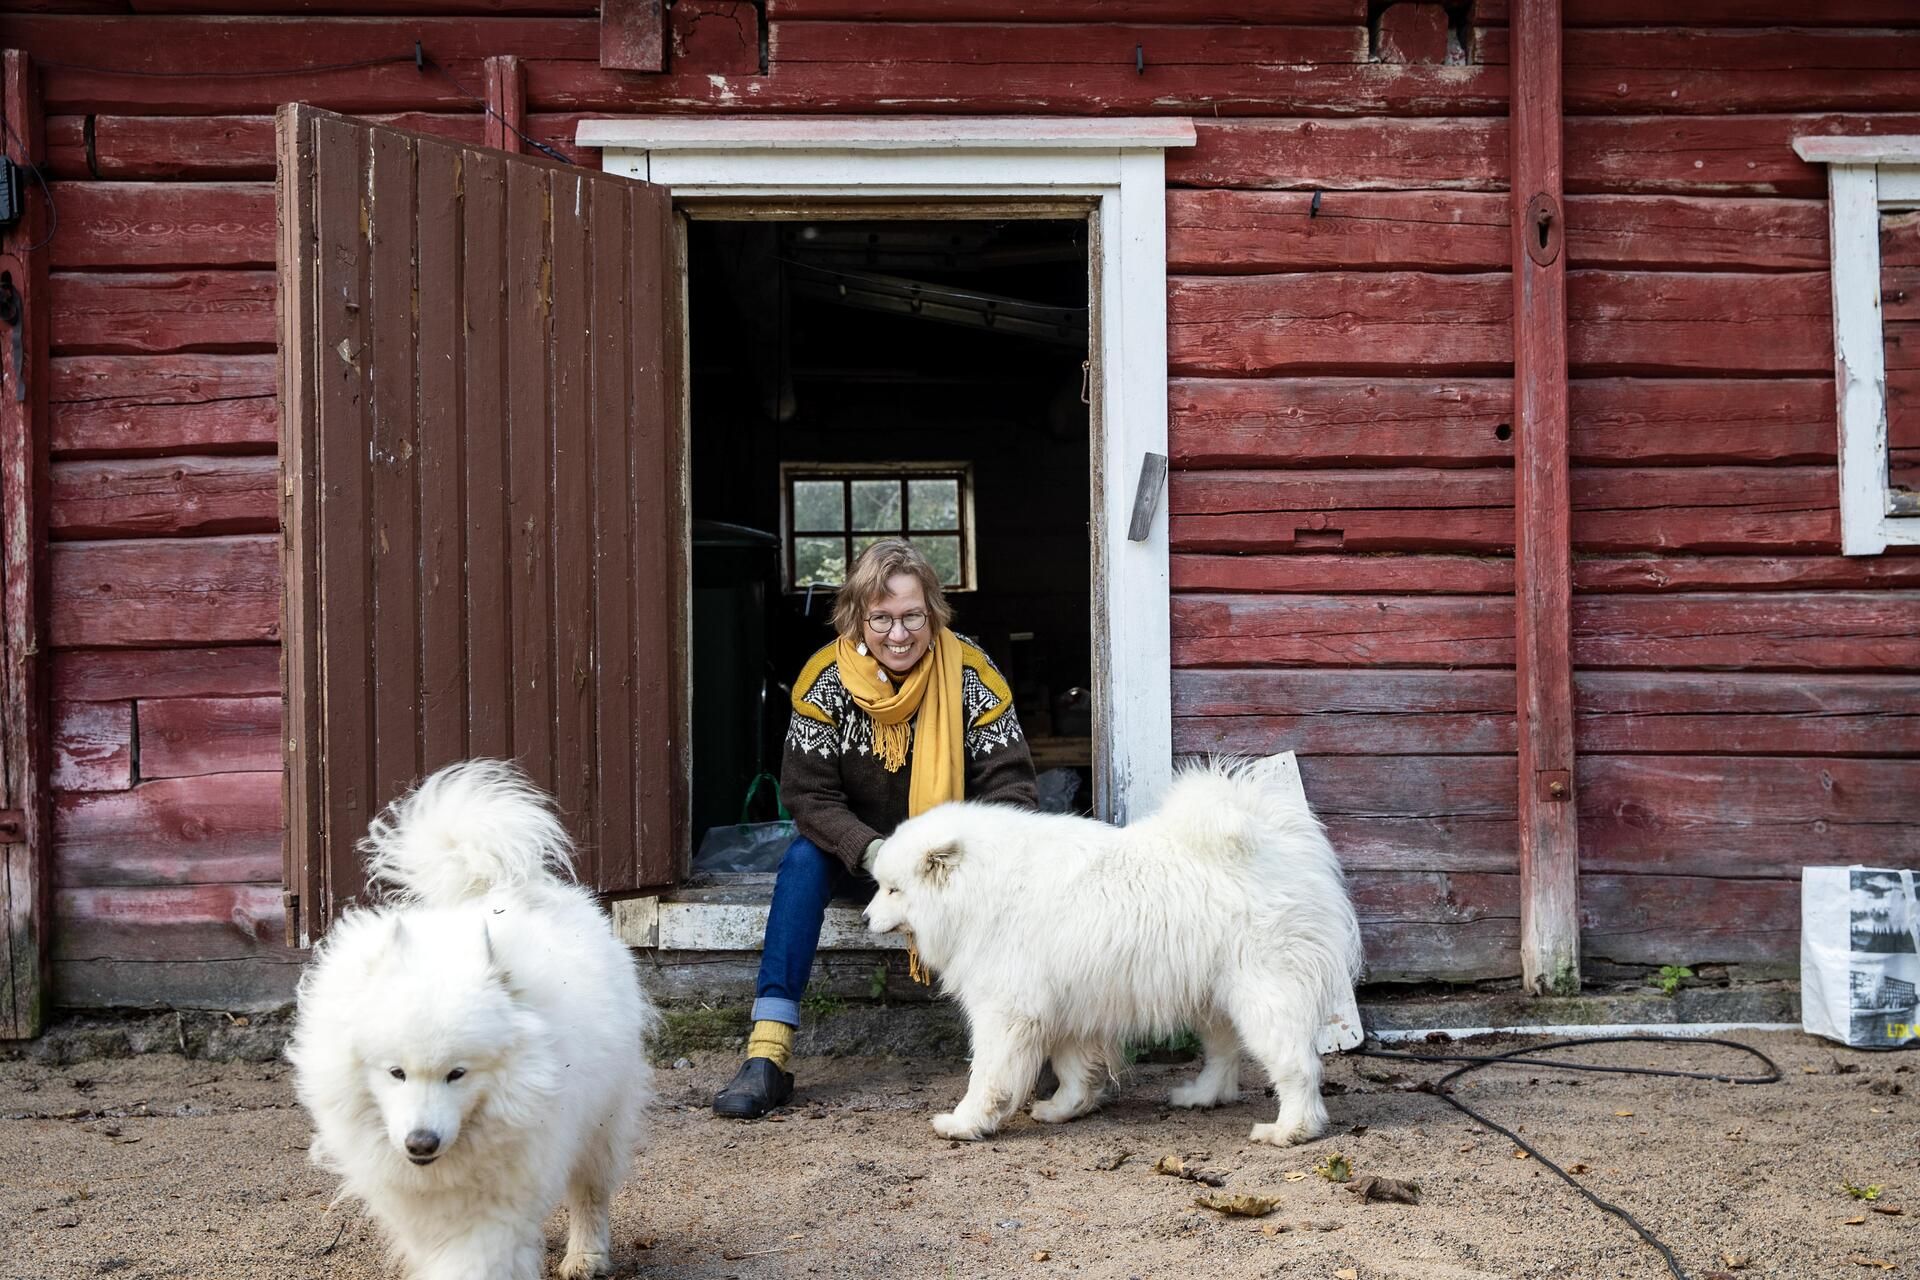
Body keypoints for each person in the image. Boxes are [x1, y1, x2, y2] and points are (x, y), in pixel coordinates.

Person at [713, 538, 1038, 1118]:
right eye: (882, 618)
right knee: (801, 863)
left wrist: (968, 860)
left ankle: (1027, 1050)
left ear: (932, 612)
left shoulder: (973, 675)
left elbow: (1012, 789)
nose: (899, 634)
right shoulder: (825, 681)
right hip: (861, 858)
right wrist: (871, 851)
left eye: (913, 616)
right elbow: (807, 796)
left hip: (950, 868)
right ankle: (768, 1052)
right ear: (858, 616)